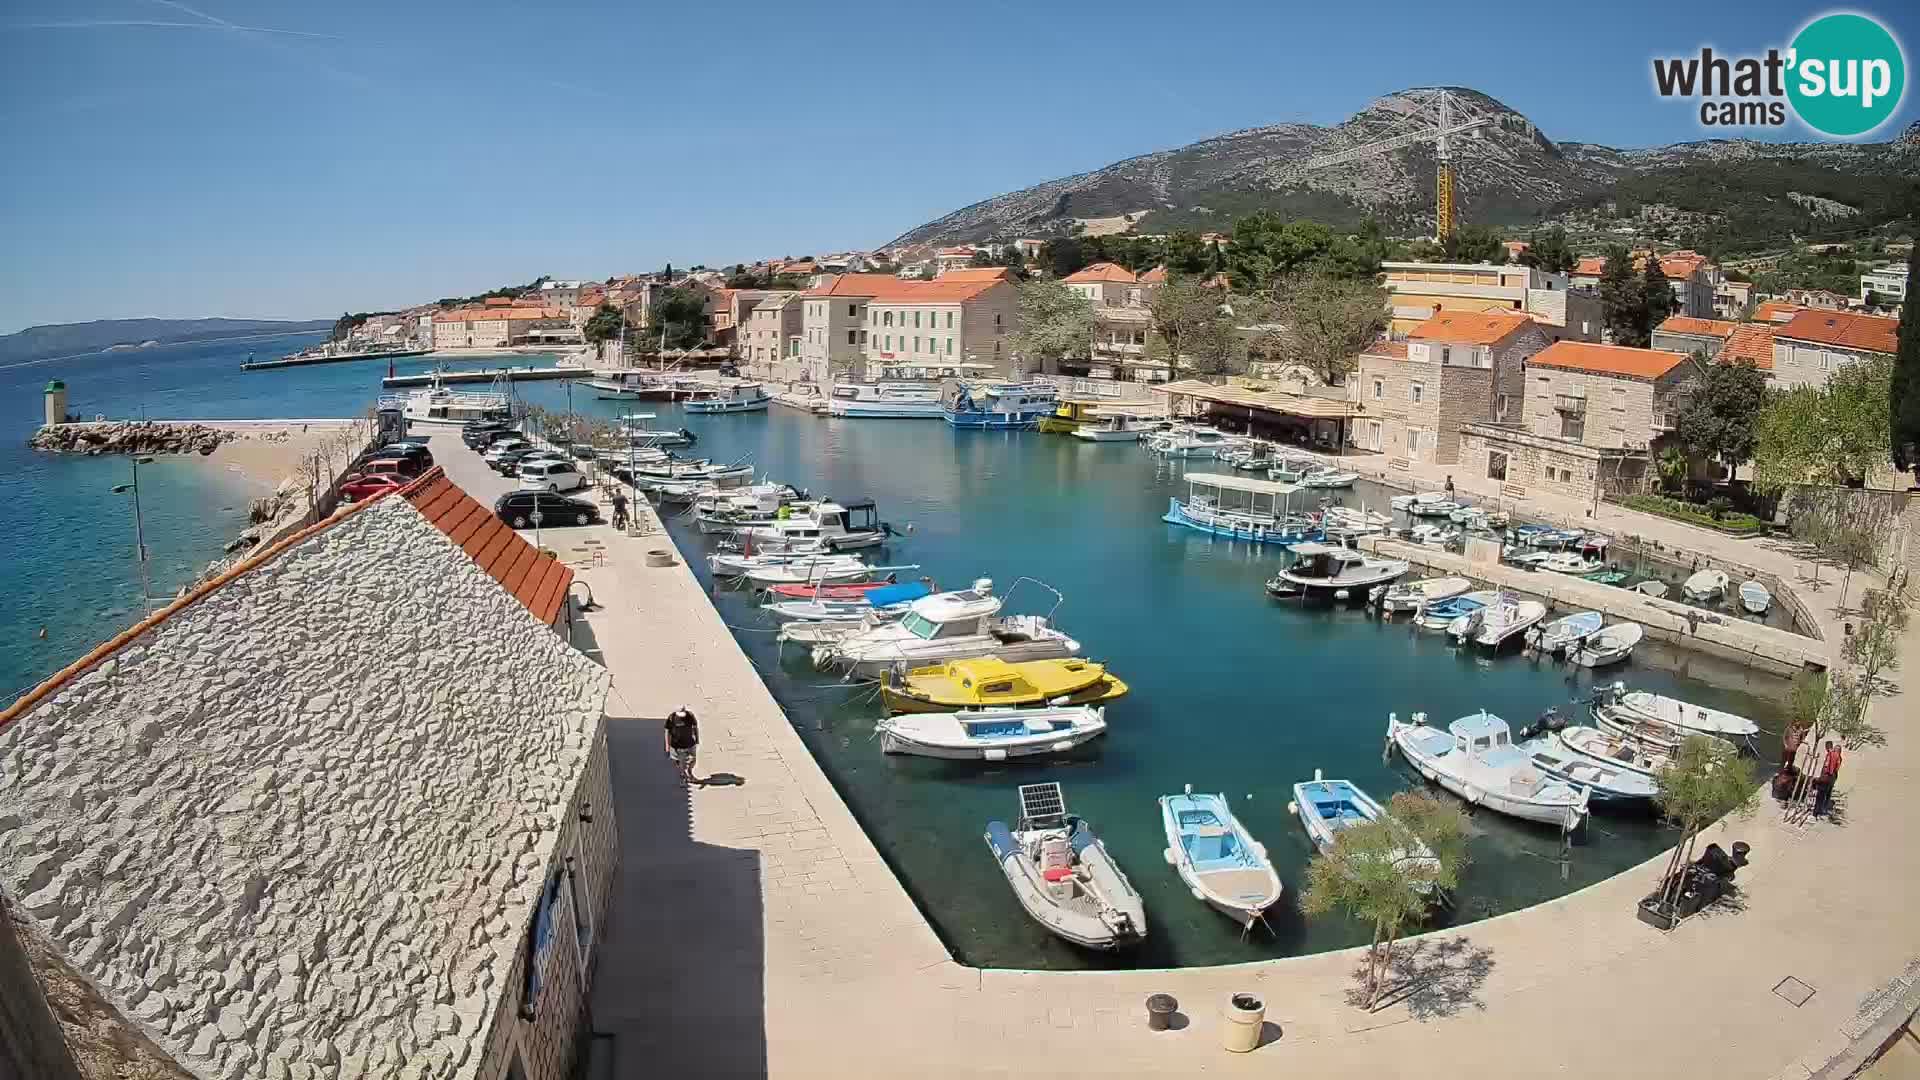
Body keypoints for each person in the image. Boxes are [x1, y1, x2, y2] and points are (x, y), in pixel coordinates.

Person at [664, 707, 700, 785]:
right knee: (681, 763)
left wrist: (697, 738)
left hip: (690, 743)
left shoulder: (690, 715)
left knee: (693, 760)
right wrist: (667, 746)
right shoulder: (671, 718)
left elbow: (695, 727)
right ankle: (684, 777)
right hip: (677, 745)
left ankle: (689, 772)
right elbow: (667, 732)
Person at [1814, 740, 1843, 816]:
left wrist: (1825, 775)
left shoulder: (1831, 754)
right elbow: (1836, 768)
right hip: (1832, 778)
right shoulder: (1839, 757)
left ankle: (1817, 811)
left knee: (1820, 795)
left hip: (1827, 777)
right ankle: (1823, 809)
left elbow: (1830, 768)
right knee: (1827, 794)